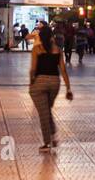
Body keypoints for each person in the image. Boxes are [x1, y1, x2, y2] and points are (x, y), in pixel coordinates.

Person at [28, 22, 72, 152]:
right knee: (46, 110)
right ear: (51, 36)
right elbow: (63, 70)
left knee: (43, 113)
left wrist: (31, 83)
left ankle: (47, 143)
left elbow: (33, 69)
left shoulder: (37, 49)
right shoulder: (58, 50)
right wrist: (68, 88)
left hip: (40, 82)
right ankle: (53, 137)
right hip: (54, 83)